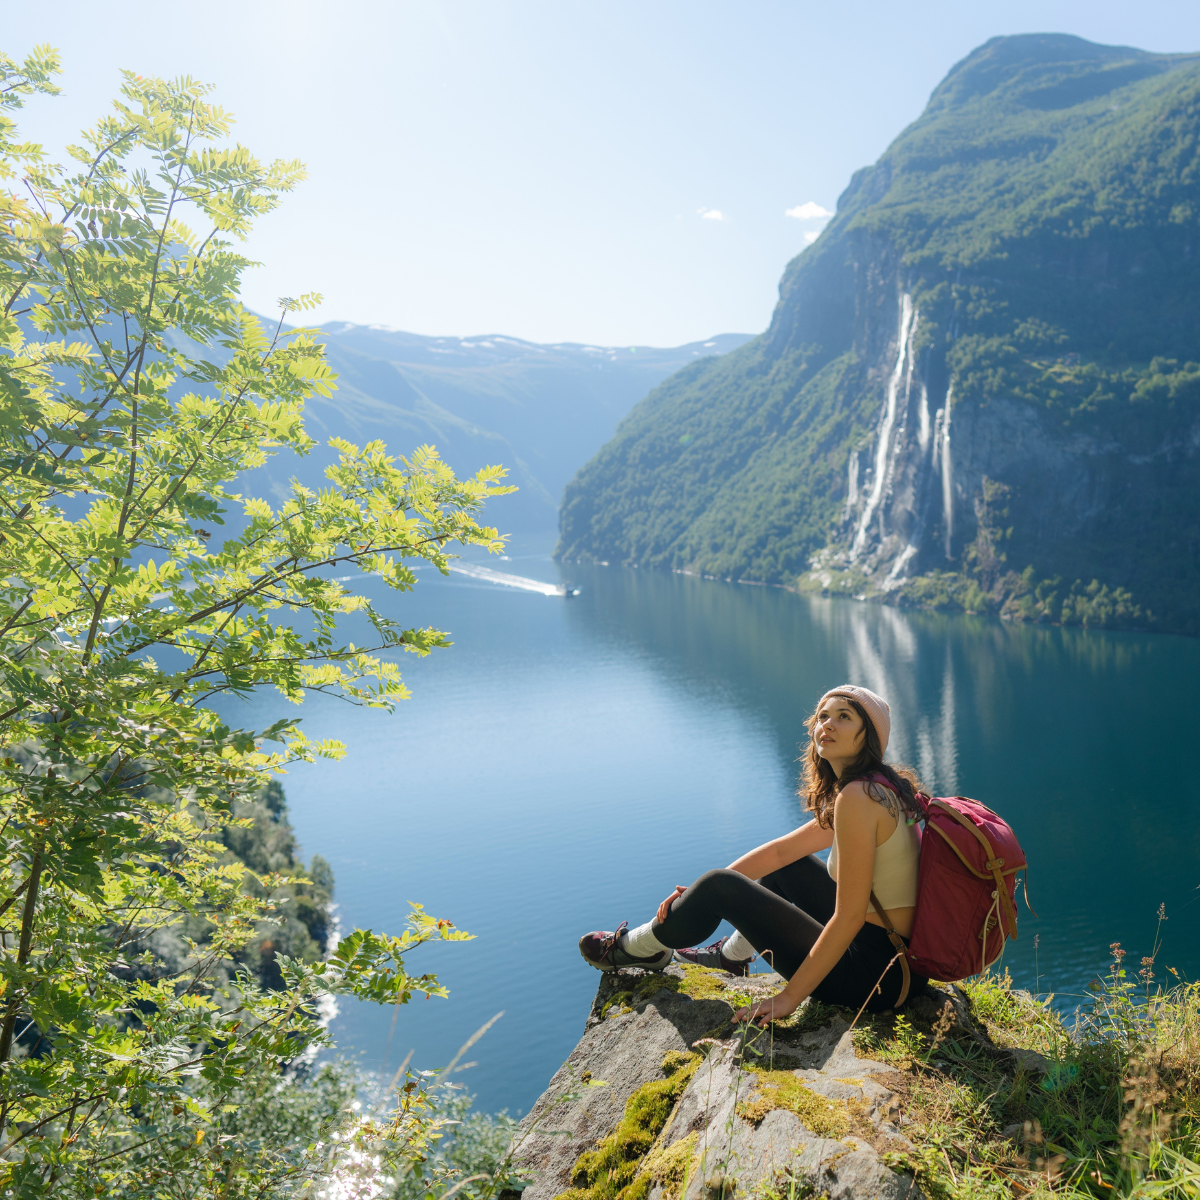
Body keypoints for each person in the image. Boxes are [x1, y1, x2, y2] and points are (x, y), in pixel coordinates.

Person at [578, 685, 928, 1024]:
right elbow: (781, 853)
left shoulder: (858, 799)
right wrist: (697, 893)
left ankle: (641, 947)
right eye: (822, 716)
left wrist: (789, 998)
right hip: (899, 962)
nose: (828, 724)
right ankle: (731, 958)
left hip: (873, 978)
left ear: (867, 737)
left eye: (844, 716)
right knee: (780, 870)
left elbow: (849, 917)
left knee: (720, 885)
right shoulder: (875, 789)